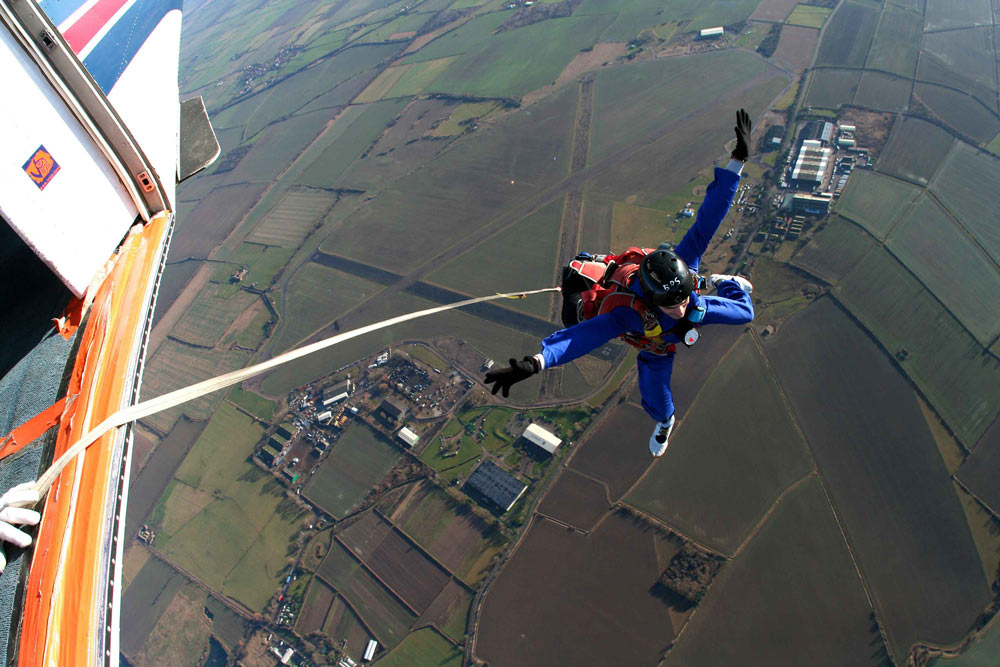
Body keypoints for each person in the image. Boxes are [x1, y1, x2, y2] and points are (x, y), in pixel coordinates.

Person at [484, 109, 755, 457]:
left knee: (743, 312)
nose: (682, 305)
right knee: (654, 396)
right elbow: (580, 339)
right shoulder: (628, 315)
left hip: (674, 322)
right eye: (674, 303)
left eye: (685, 296)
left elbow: (710, 216)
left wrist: (737, 162)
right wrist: (535, 363)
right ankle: (666, 422)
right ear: (654, 302)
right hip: (654, 344)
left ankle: (725, 282)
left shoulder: (686, 280)